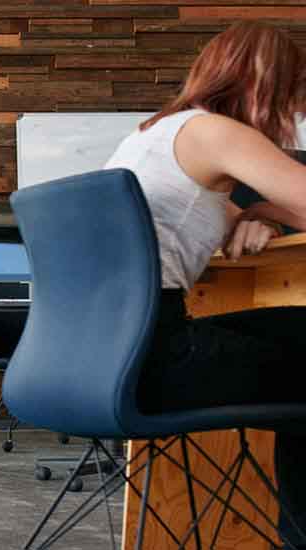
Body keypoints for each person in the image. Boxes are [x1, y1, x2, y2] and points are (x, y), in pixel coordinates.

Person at [102, 21, 306, 546]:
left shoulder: (155, 135)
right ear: (268, 84)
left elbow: (225, 214)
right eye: (295, 93)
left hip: (104, 357)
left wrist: (256, 212)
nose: (296, 112)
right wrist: (264, 208)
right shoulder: (217, 131)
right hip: (159, 360)